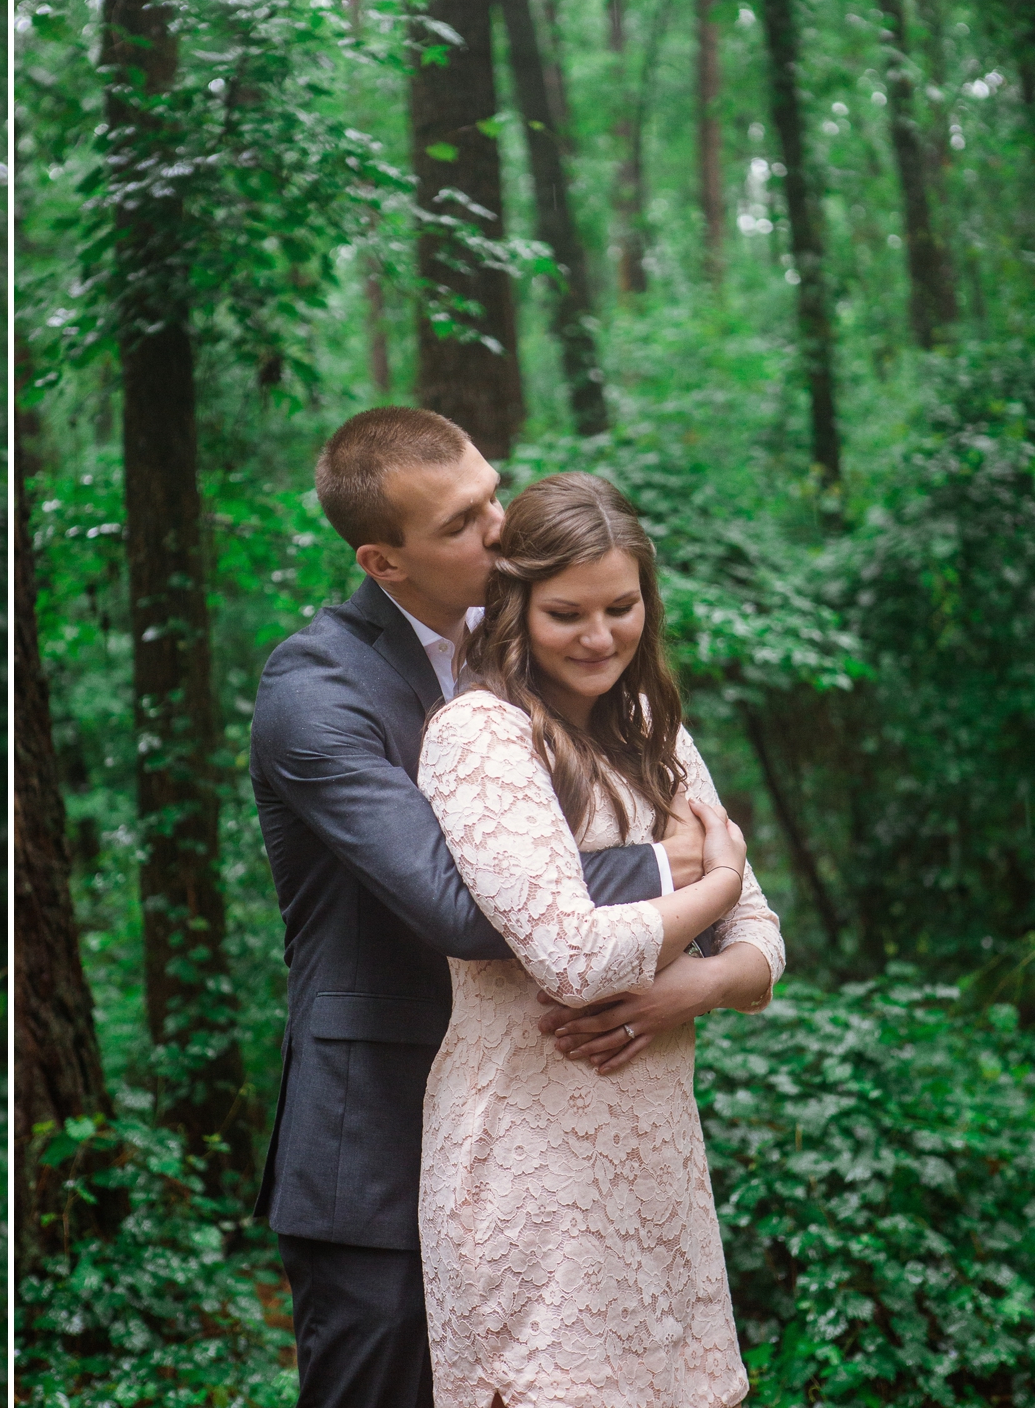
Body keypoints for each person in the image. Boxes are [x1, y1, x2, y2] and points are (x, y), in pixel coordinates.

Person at [248, 408, 768, 1408]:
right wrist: (676, 867)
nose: (496, 527)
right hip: (379, 1137)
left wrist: (698, 975)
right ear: (381, 559)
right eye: (457, 522)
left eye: (492, 493)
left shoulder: (554, 648)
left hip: (548, 1124)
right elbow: (457, 906)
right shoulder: (317, 691)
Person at [415, 471, 783, 1408]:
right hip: (532, 1164)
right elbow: (570, 956)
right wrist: (718, 877)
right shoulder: (482, 737)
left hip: (657, 1161)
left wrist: (684, 989)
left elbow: (762, 946)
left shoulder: (658, 732)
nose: (599, 635)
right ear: (516, 606)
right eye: (566, 612)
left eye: (622, 607)